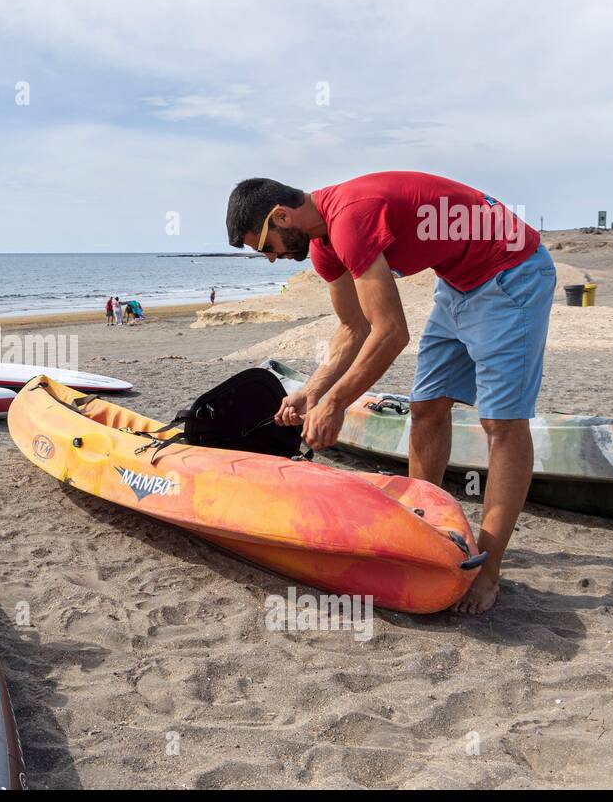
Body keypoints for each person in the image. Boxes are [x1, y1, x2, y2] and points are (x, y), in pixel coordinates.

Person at [225, 172, 553, 615]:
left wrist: (337, 404)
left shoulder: (349, 219)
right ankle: (425, 525)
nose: (270, 259)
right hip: (456, 284)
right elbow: (353, 328)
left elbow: (391, 332)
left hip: (512, 273)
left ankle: (488, 570)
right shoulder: (324, 249)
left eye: (265, 246)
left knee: (502, 423)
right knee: (427, 407)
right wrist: (311, 392)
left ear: (281, 216)